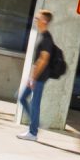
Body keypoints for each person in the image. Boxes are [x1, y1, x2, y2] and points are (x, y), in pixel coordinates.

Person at [18, 9, 55, 141]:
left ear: (44, 21)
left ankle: (33, 132)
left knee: (35, 103)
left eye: (38, 18)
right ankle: (35, 124)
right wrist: (31, 76)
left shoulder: (46, 39)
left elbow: (43, 60)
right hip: (36, 76)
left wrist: (33, 77)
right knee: (22, 98)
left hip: (40, 77)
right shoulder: (42, 36)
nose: (35, 20)